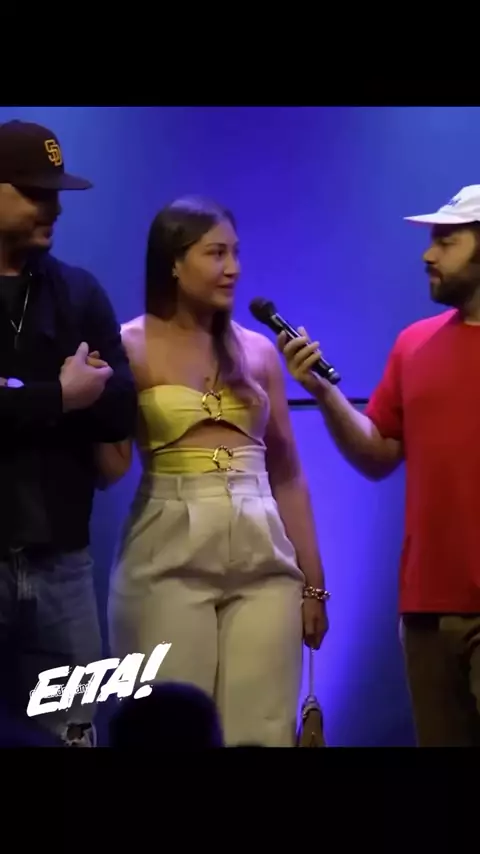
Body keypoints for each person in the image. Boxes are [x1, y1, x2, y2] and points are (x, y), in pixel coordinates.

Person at [97, 195, 329, 747]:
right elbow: (110, 468)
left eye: (236, 253)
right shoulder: (129, 345)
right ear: (174, 263)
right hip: (167, 553)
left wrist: (315, 585)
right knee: (170, 731)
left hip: (263, 555)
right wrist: (76, 403)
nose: (234, 268)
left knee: (264, 729)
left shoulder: (259, 352)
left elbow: (288, 473)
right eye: (216, 253)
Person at [278, 184, 480, 747]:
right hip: (426, 609)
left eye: (447, 241)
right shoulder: (414, 345)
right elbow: (377, 455)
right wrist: (323, 393)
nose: (428, 254)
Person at [0, 119, 137, 746]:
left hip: (63, 565)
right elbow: (82, 399)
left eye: (55, 193)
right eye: (35, 192)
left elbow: (120, 410)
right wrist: (60, 396)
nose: (53, 208)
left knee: (73, 734)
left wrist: (22, 397)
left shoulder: (78, 292)